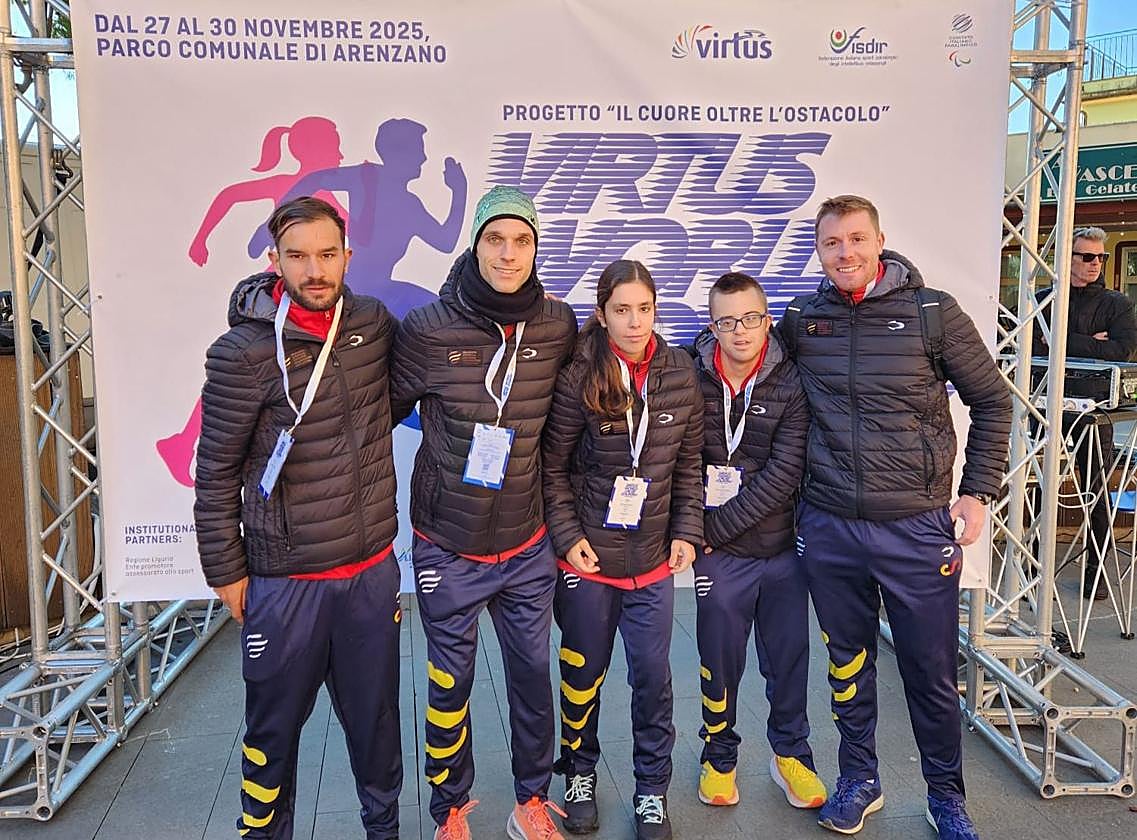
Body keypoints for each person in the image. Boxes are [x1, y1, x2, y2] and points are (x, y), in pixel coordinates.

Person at [780, 195, 1011, 839]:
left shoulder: (931, 312)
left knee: (930, 673)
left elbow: (993, 402)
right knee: (847, 667)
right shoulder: (802, 319)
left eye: (856, 239)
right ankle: (860, 779)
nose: (845, 253)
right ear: (819, 251)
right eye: (832, 243)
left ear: (880, 240)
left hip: (914, 527)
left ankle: (945, 797)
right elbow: (748, 375)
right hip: (827, 525)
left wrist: (977, 492)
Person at [194, 197, 402, 839]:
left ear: (347, 255)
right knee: (272, 731)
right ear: (273, 260)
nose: (315, 270)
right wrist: (227, 570)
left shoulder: (371, 323)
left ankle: (384, 829)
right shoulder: (242, 352)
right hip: (286, 582)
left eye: (326, 254)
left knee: (377, 727)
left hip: (369, 575)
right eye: (299, 256)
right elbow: (216, 472)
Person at [390, 186, 577, 840]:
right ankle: (450, 808)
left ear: (534, 247)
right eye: (495, 239)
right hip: (447, 544)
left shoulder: (557, 324)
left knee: (532, 678)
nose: (508, 253)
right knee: (449, 684)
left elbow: (571, 428)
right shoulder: (426, 329)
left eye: (520, 240)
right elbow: (369, 418)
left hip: (526, 544)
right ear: (474, 244)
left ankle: (532, 799)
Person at [542, 259, 704, 840]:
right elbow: (552, 469)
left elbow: (689, 467)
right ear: (602, 312)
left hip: (653, 564)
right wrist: (569, 537)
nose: (635, 322)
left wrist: (687, 531)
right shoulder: (579, 374)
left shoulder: (680, 372)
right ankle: (579, 774)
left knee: (653, 682)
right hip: (588, 559)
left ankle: (651, 791)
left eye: (645, 309)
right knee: (581, 677)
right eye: (622, 310)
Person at [688, 272, 825, 811]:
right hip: (718, 558)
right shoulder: (689, 374)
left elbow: (785, 472)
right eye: (726, 321)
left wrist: (713, 532)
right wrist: (697, 535)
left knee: (789, 659)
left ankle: (792, 755)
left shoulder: (791, 381)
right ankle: (718, 755)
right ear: (712, 325)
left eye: (750, 318)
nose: (739, 331)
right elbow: (680, 461)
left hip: (778, 548)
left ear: (767, 320)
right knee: (717, 660)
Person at [162, 117, 349, 488]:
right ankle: (183, 443)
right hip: (292, 307)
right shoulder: (307, 191)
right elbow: (230, 194)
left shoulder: (322, 193)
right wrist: (201, 238)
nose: (341, 153)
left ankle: (182, 443)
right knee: (254, 376)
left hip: (320, 304)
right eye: (334, 143)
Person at [1034, 225, 1137, 600]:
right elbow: (1026, 342)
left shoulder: (1116, 303)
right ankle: (1030, 568)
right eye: (1087, 256)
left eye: (1101, 257)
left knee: (1095, 489)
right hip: (1043, 403)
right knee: (1037, 488)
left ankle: (1096, 571)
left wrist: (1060, 341)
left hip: (1094, 409)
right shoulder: (1044, 298)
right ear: (1068, 258)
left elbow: (1122, 351)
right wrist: (1089, 344)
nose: (1095, 264)